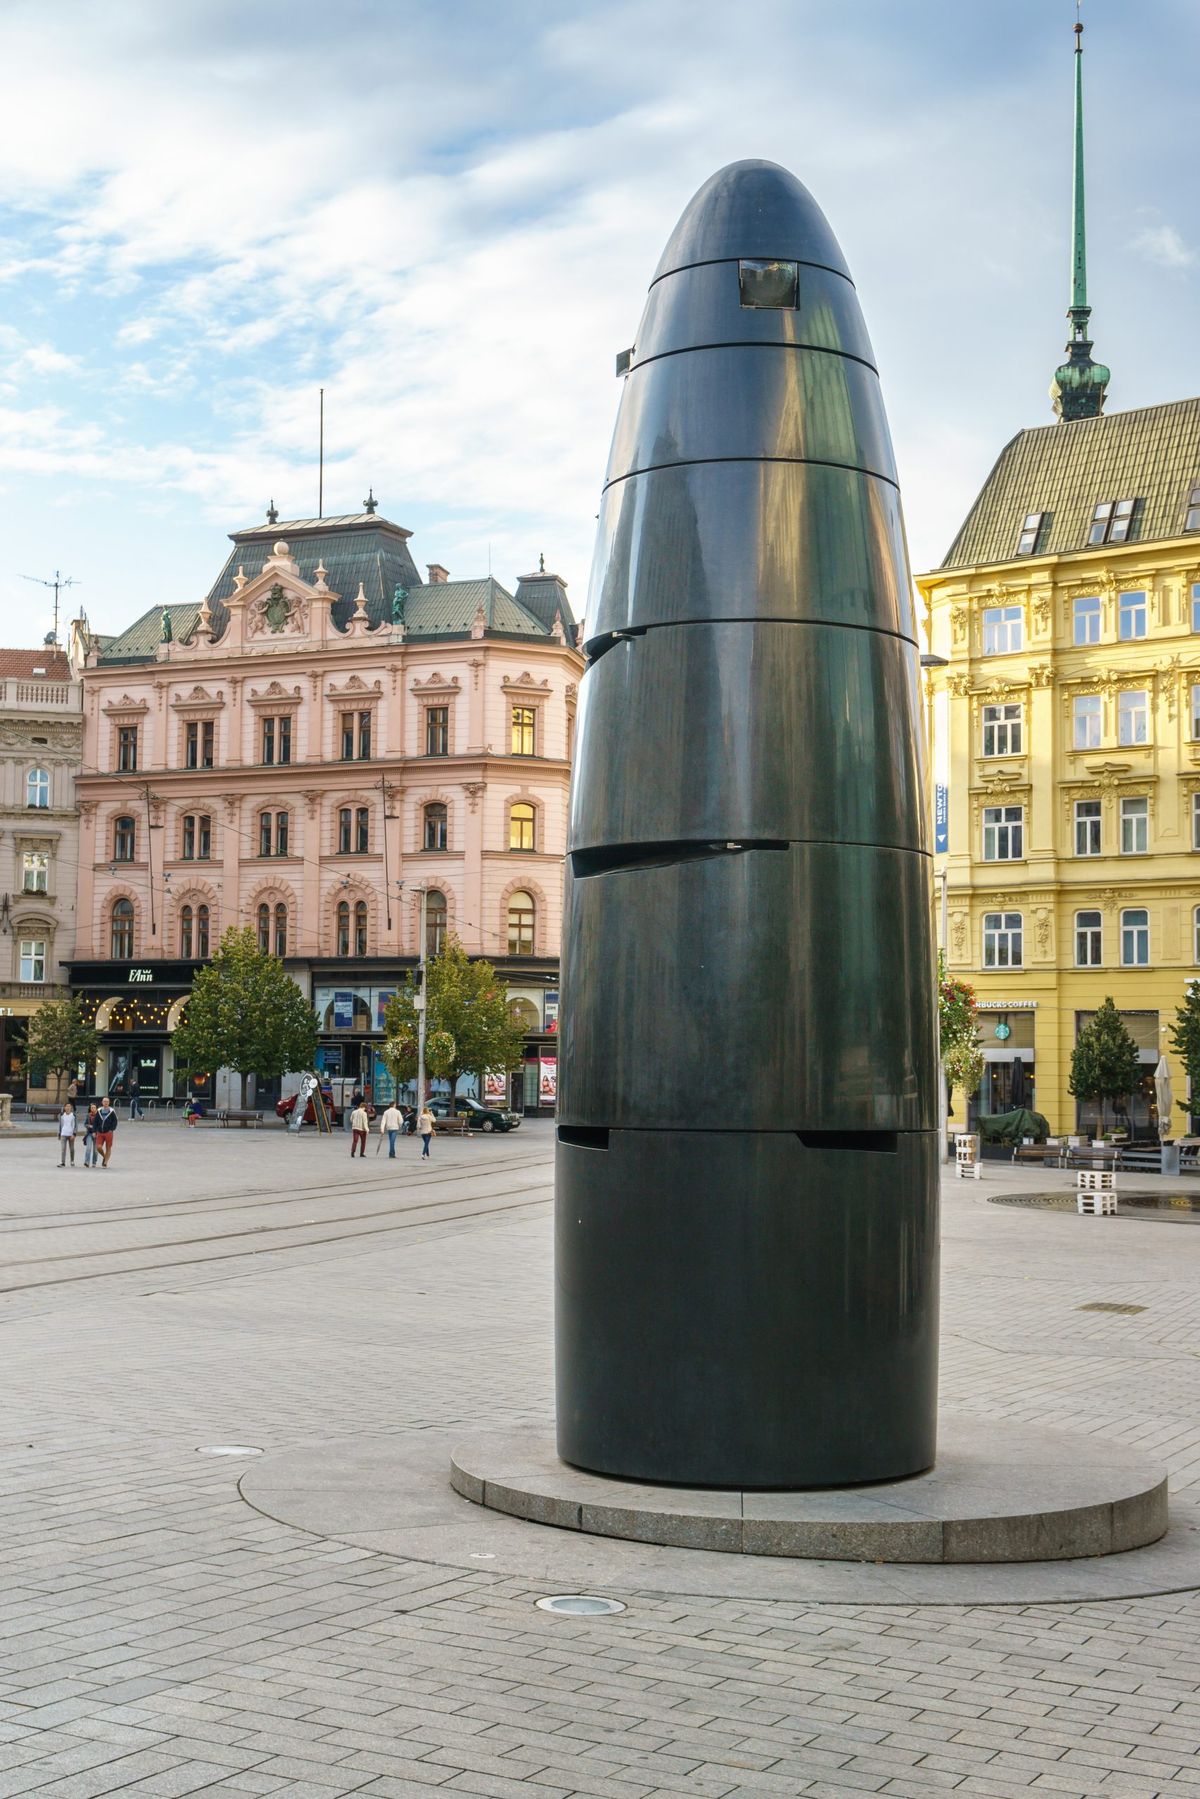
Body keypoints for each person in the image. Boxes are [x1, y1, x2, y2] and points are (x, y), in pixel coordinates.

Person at [94, 1095, 119, 1168]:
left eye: (107, 1101)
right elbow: (95, 1122)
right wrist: (94, 1131)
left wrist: (112, 1129)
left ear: (109, 1102)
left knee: (108, 1148)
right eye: (104, 1101)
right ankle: (105, 1156)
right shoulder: (98, 1111)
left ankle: (105, 1163)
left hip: (108, 1132)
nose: (106, 1103)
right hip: (100, 1132)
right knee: (98, 1147)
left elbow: (115, 1121)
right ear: (102, 1102)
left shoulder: (112, 1111)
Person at [57, 1100, 77, 1167]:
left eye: (69, 1106)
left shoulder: (73, 1115)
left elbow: (76, 1125)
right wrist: (59, 1133)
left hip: (71, 1134)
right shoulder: (61, 1115)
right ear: (64, 1107)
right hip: (63, 1133)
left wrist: (74, 1134)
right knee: (63, 1149)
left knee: (72, 1149)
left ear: (71, 1108)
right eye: (67, 1106)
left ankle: (72, 1161)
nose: (68, 1108)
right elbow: (60, 1125)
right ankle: (62, 1162)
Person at [82, 1103, 101, 1167]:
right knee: (88, 1148)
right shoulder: (88, 1115)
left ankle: (94, 1162)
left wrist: (96, 1129)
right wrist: (88, 1126)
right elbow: (85, 1124)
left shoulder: (99, 1116)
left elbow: (101, 1125)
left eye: (94, 1107)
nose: (92, 1109)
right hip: (89, 1134)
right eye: (91, 1107)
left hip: (97, 1134)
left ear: (96, 1108)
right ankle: (87, 1162)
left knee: (95, 1150)